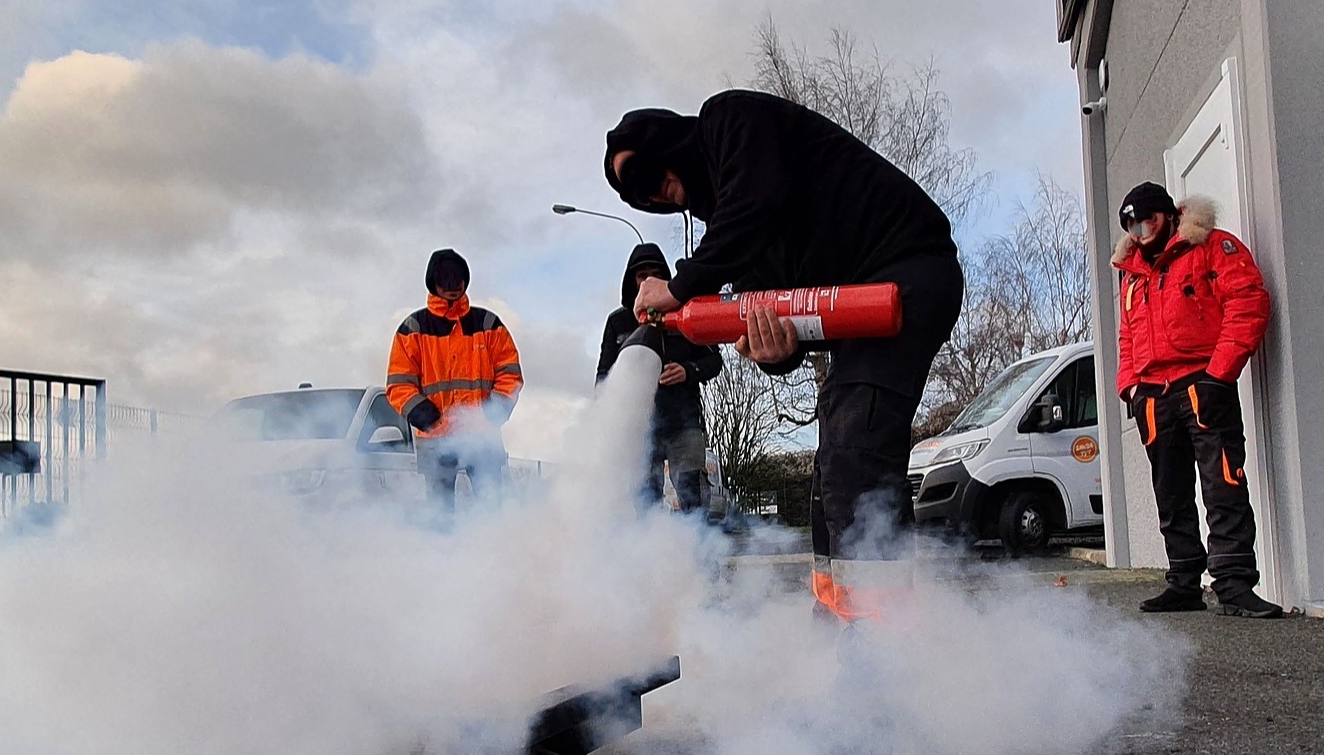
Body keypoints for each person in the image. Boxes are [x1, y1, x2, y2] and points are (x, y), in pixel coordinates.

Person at [603, 89, 963, 623]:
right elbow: (779, 326)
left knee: (856, 450)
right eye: (638, 200)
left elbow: (757, 201)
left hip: (908, 267)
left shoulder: (729, 122)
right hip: (853, 314)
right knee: (834, 463)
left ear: (668, 142)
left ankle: (887, 645)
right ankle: (841, 618)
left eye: (645, 178)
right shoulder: (741, 240)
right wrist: (770, 351)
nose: (654, 198)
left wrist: (679, 287)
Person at [1111, 182, 1281, 617]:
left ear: (1167, 215)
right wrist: (1130, 387)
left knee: (1223, 486)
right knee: (1170, 494)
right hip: (1154, 397)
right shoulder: (1131, 274)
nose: (1140, 230)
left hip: (1202, 386)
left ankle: (1234, 584)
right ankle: (1184, 582)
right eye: (1132, 223)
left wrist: (1218, 375)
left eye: (1147, 219)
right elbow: (1127, 335)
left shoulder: (1210, 247)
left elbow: (1249, 302)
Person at [385, 249, 524, 510]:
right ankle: (443, 550)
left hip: (482, 437)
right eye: (444, 281)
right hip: (435, 438)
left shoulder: (488, 324)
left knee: (491, 509)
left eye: (456, 281)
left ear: (465, 281)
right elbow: (398, 383)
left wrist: (493, 412)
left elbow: (510, 375)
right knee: (440, 514)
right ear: (433, 283)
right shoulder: (412, 329)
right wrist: (420, 411)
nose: (451, 288)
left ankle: (498, 550)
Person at [595, 243, 723, 514]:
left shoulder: (685, 313)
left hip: (684, 424)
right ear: (632, 280)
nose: (649, 280)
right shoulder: (618, 323)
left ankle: (699, 553)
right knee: (644, 500)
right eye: (642, 275)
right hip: (641, 431)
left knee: (693, 497)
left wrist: (688, 371)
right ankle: (651, 555)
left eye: (655, 273)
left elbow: (714, 361)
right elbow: (603, 378)